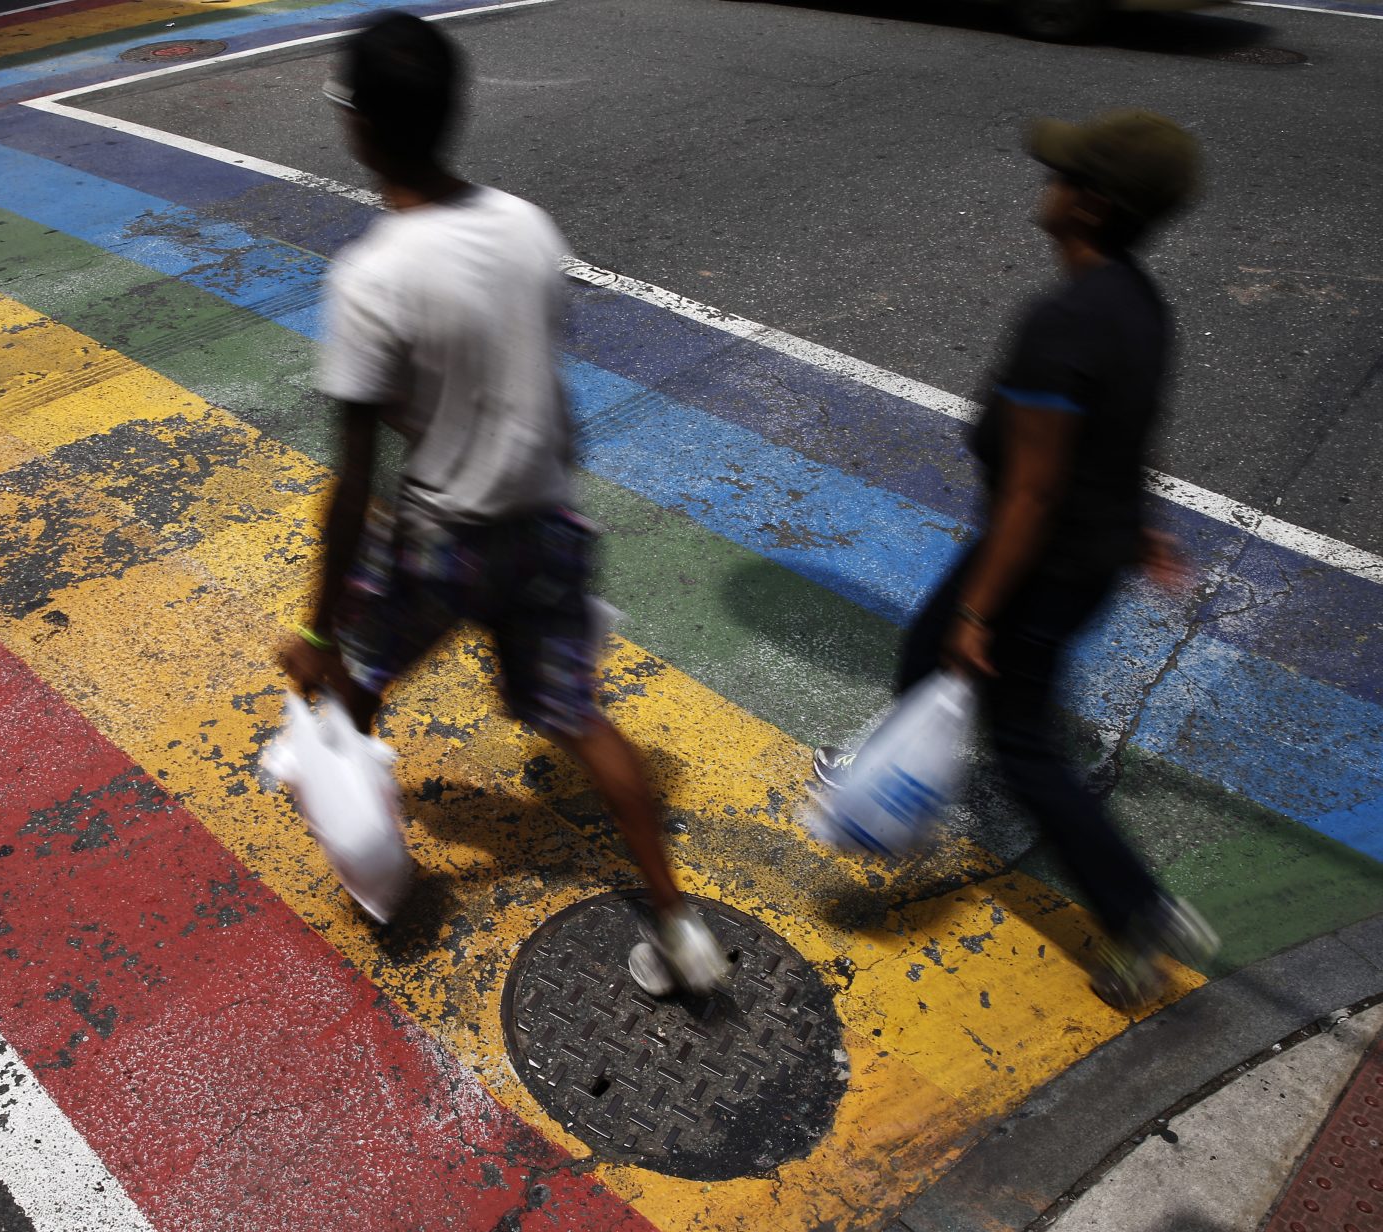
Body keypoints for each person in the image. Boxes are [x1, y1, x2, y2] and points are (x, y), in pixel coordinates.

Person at [276, 11, 727, 995]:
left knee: (352, 687)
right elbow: (532, 376)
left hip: (443, 541)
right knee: (580, 720)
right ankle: (680, 923)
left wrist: (318, 622)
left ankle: (374, 862)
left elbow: (354, 479)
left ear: (356, 125)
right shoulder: (527, 225)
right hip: (546, 529)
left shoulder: (370, 276)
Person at [814, 110, 1219, 1009]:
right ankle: (900, 763)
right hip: (1089, 549)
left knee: (1025, 741)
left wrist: (979, 613)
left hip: (1042, 559)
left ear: (1090, 206)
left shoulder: (1062, 325)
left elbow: (1032, 493)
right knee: (924, 654)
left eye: (1063, 174)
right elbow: (1120, 435)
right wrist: (1142, 524)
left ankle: (1138, 913)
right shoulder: (1138, 303)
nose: (1047, 181)